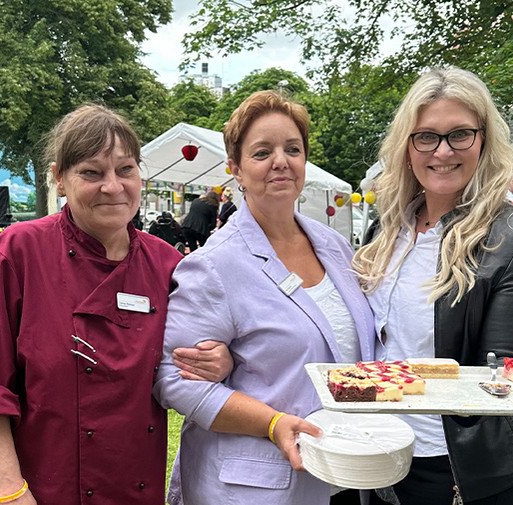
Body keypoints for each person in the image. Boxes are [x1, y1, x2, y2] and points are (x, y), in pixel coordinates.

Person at [0, 104, 230, 505]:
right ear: (59, 179)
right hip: (46, 489)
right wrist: (9, 490)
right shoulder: (18, 252)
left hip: (136, 485)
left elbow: (196, 357)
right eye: (91, 172)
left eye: (125, 170)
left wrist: (219, 360)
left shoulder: (169, 265)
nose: (113, 186)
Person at [154, 90, 377, 505]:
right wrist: (271, 423)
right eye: (262, 152)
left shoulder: (334, 247)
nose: (281, 161)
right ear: (235, 169)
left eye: (292, 149)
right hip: (258, 485)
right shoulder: (215, 265)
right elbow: (172, 380)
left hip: (343, 474)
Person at [353, 67, 513, 505]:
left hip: (461, 466)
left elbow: (512, 376)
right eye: (426, 136)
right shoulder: (387, 229)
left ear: (484, 140)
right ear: (406, 146)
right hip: (381, 451)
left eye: (459, 135)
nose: (442, 151)